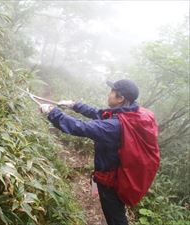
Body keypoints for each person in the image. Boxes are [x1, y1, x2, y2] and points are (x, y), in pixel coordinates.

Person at [39, 79, 142, 225]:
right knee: (115, 213)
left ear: (120, 98)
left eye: (112, 91)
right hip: (115, 173)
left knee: (115, 217)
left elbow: (81, 127)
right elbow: (99, 113)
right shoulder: (127, 113)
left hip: (111, 181)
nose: (109, 93)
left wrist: (52, 113)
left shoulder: (115, 126)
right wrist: (74, 105)